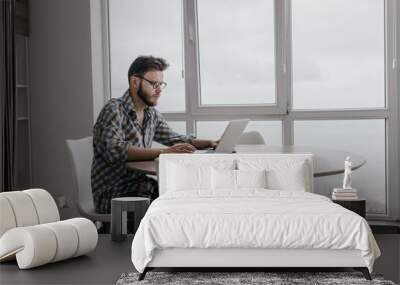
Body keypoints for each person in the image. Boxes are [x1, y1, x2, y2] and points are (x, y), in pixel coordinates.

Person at [91, 55, 217, 214]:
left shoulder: (151, 115)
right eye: (154, 84)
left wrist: (211, 143)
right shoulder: (114, 109)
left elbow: (175, 139)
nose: (159, 90)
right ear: (135, 82)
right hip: (112, 195)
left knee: (179, 197)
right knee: (167, 206)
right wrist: (165, 152)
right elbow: (115, 150)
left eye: (161, 84)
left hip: (140, 186)